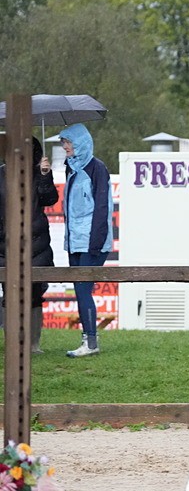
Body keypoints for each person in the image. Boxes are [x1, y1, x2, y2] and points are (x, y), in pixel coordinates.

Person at [0, 137, 60, 353]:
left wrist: (45, 175)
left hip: (37, 246)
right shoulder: (1, 174)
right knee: (10, 296)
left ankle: (34, 345)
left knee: (35, 296)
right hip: (6, 246)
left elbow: (49, 199)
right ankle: (13, 345)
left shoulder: (38, 173)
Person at [59, 123, 112, 358]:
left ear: (79, 143)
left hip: (92, 243)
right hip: (74, 242)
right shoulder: (70, 169)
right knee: (80, 290)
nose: (64, 147)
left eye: (67, 142)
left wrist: (95, 243)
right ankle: (88, 340)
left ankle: (90, 342)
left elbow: (102, 208)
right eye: (63, 143)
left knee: (82, 290)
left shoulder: (97, 169)